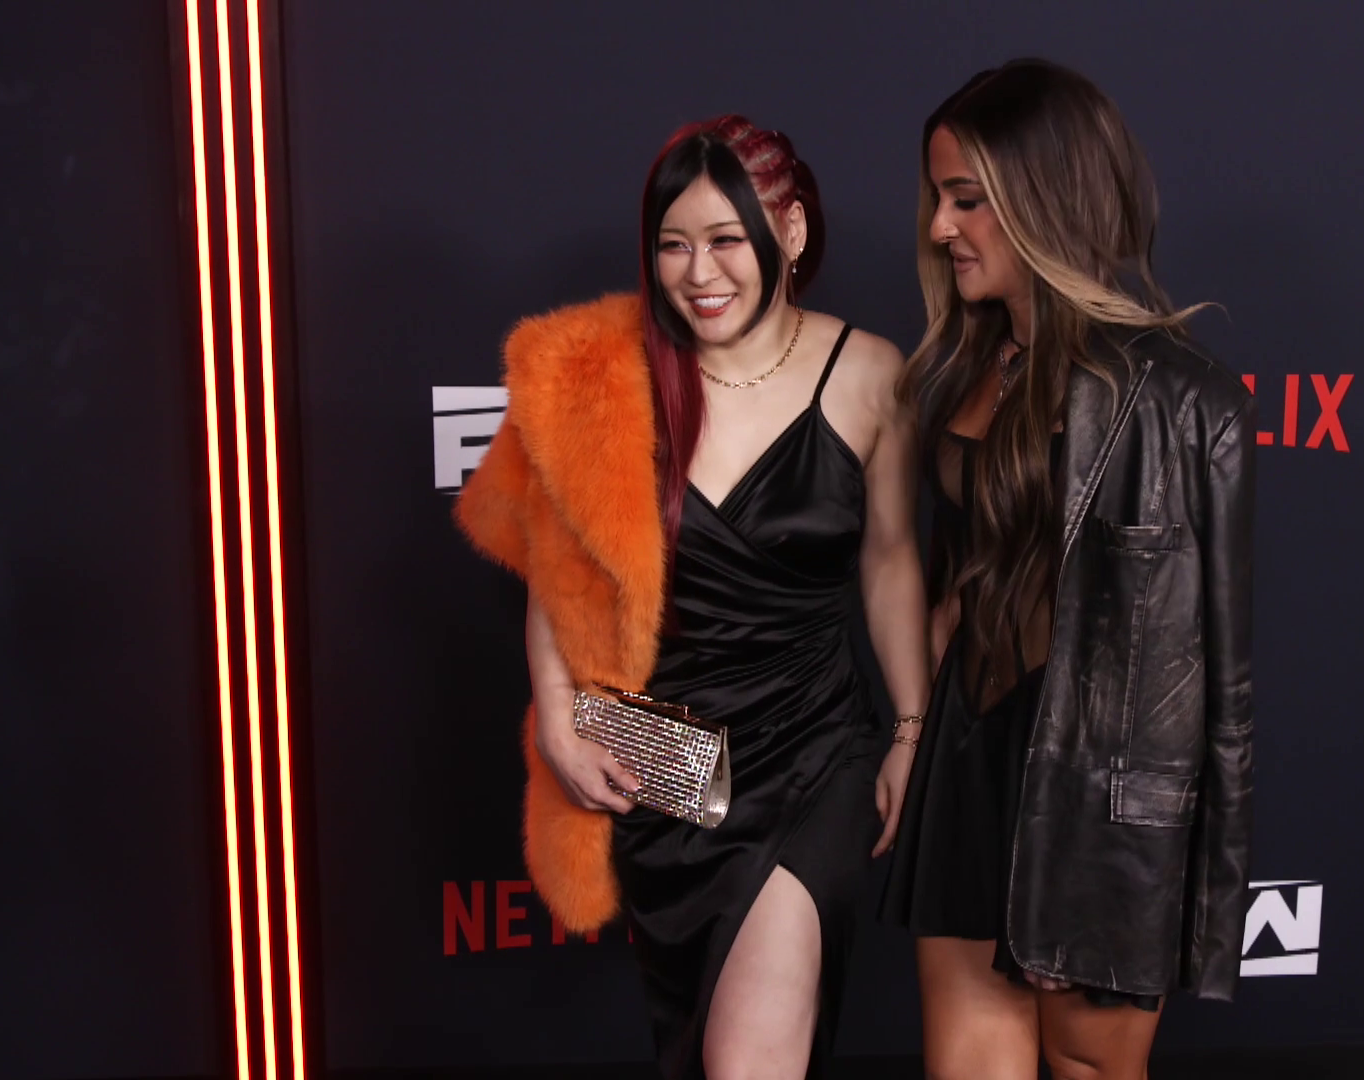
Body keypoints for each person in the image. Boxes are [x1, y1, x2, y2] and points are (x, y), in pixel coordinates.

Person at [455, 115, 929, 1080]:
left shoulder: (871, 375)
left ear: (789, 231)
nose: (698, 272)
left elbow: (890, 561)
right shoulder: (601, 376)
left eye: (724, 239)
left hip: (814, 754)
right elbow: (559, 568)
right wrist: (558, 716)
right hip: (669, 767)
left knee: (751, 1060)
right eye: (673, 245)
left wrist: (912, 728)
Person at [879, 59, 1258, 1080]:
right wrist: (915, 733)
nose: (940, 228)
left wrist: (1200, 885)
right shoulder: (966, 368)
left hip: (1095, 788)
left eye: (967, 200)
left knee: (1089, 1069)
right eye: (939, 199)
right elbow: (957, 581)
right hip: (970, 756)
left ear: (1044, 198)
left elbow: (1220, 686)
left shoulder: (1184, 403)